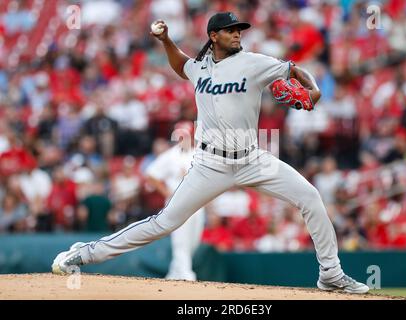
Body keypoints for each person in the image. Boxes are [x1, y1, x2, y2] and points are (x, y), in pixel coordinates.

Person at [52, 12, 369, 294]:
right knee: (164, 223)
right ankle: (85, 253)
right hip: (210, 163)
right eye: (230, 30)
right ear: (213, 36)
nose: (237, 34)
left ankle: (331, 274)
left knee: (310, 197)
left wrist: (312, 90)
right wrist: (166, 40)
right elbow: (181, 65)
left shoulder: (255, 62)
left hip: (251, 159)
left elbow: (295, 70)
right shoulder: (200, 66)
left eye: (239, 30)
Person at [145, 120, 205, 281]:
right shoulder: (171, 155)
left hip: (197, 204)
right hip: (177, 203)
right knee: (181, 240)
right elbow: (151, 175)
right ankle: (187, 275)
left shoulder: (200, 153)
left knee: (194, 242)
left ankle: (174, 274)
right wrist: (166, 192)